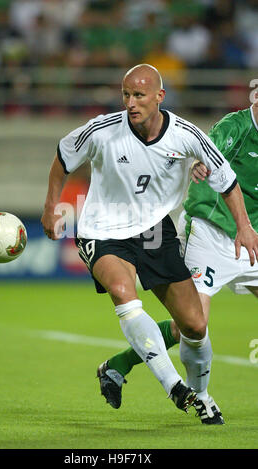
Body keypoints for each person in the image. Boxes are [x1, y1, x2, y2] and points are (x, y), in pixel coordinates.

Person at [41, 64, 258, 421]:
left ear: (160, 97)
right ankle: (176, 387)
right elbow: (64, 156)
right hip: (103, 231)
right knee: (124, 293)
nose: (130, 102)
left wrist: (244, 226)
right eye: (126, 95)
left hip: (154, 232)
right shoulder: (102, 130)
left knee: (194, 325)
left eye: (139, 95)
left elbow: (227, 179)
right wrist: (51, 206)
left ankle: (146, 374)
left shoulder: (186, 135)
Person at [98, 93, 258, 425]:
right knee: (194, 326)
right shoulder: (237, 126)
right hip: (210, 232)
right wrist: (202, 163)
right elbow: (211, 153)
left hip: (251, 237)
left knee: (185, 325)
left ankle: (118, 363)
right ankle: (201, 397)